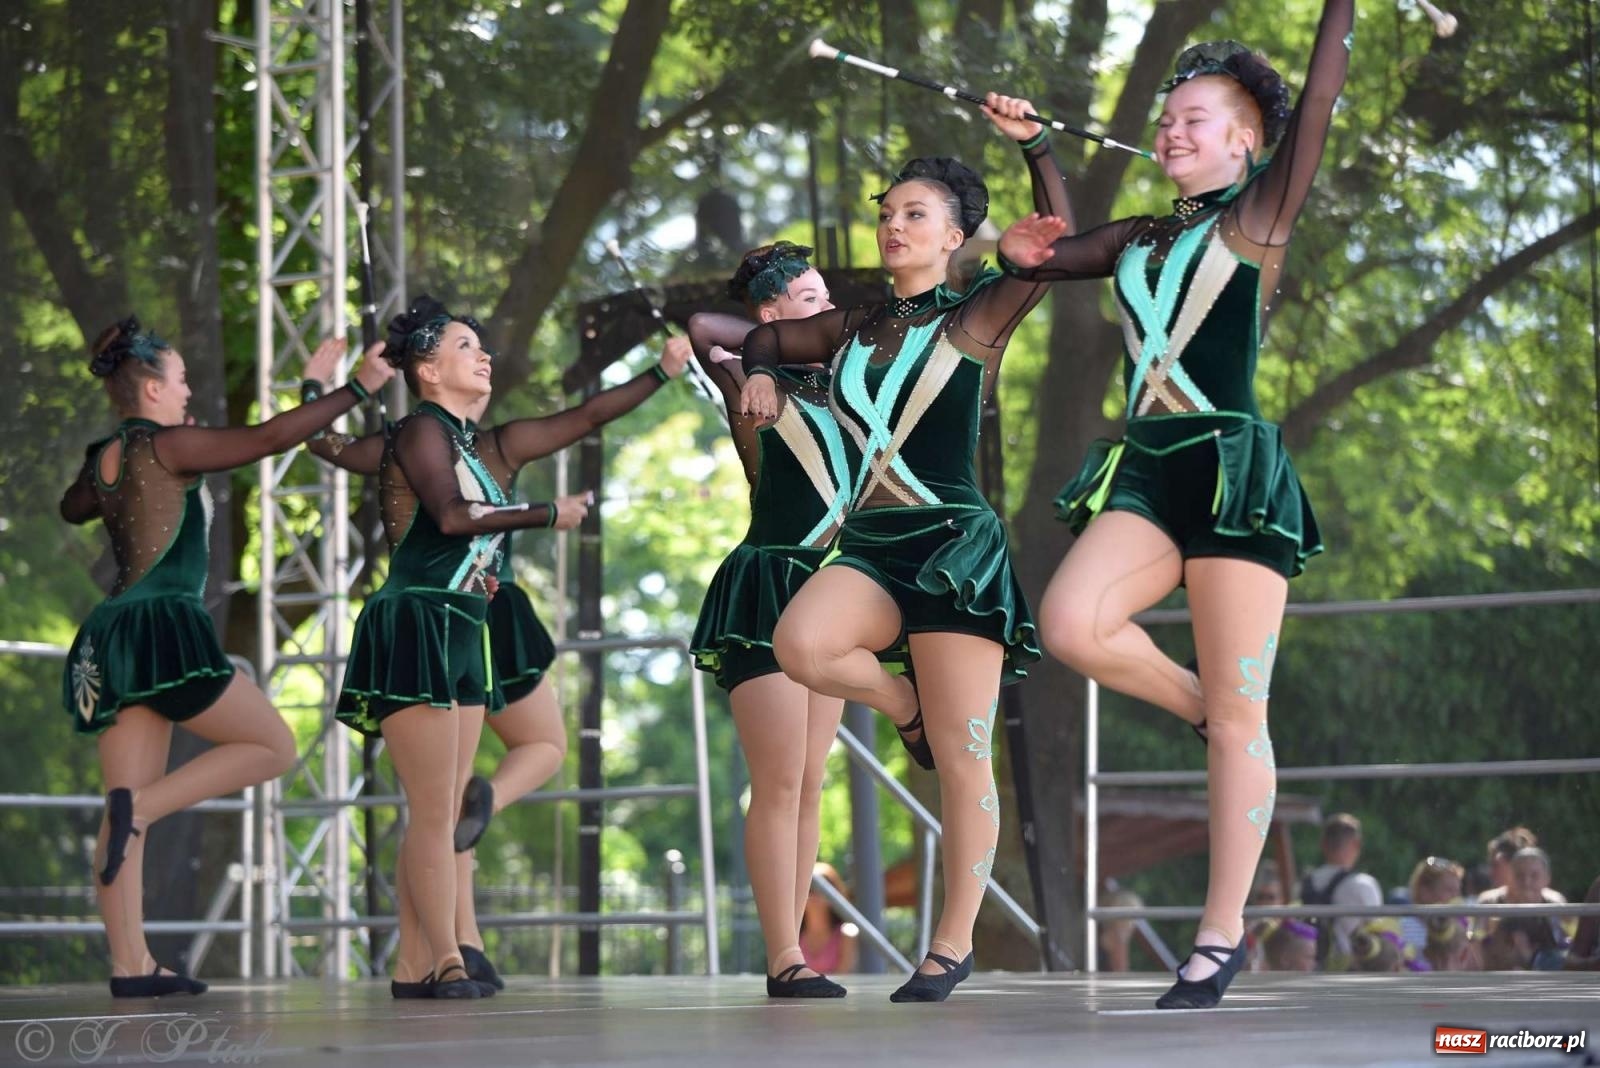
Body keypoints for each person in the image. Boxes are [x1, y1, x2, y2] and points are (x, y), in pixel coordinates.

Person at [997, 0, 1352, 1008]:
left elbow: (1318, 97)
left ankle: (1218, 933)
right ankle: (1217, 717)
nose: (1171, 129)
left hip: (1229, 470)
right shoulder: (1144, 234)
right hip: (1149, 467)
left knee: (1244, 718)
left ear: (1243, 141)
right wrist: (1035, 155)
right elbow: (1049, 253)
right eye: (1167, 117)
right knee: (1069, 622)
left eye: (1194, 117)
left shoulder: (1258, 216)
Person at [738, 94, 1072, 1003]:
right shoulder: (850, 324)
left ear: (955, 234)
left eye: (912, 215)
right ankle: (902, 706)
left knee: (967, 755)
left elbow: (1053, 242)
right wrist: (764, 371)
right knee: (800, 646)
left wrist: (1038, 149)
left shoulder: (978, 314)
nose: (892, 227)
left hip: (952, 545)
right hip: (873, 543)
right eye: (885, 215)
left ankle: (952, 942)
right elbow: (758, 333)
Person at [308, 313, 689, 992]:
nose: (483, 356)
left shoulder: (471, 440)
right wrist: (546, 513)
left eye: (484, 346)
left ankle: (416, 964)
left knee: (444, 807)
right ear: (426, 370)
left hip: (464, 624)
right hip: (418, 619)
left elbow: (588, 412)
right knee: (432, 810)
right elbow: (450, 516)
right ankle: (447, 955)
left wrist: (661, 371)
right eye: (464, 347)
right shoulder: (420, 430)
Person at [61, 318, 392, 996]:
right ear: (151, 387)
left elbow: (74, 506)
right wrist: (352, 389)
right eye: (180, 381)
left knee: (119, 805)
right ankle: (148, 809)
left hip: (114, 631)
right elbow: (269, 439)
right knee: (270, 744)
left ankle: (131, 966)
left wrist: (111, 487)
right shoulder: (172, 445)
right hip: (164, 624)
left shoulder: (105, 457)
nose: (188, 394)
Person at [685, 243, 860, 997]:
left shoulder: (842, 390)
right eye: (810, 299)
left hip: (835, 589)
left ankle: (791, 951)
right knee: (780, 781)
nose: (826, 312)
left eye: (827, 300)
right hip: (770, 584)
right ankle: (782, 953)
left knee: (813, 782)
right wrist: (759, 353)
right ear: (771, 315)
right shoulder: (750, 381)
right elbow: (699, 325)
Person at [1299, 813, 1383, 970]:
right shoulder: (1364, 884)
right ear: (1356, 844)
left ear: (1323, 844)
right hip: (1350, 968)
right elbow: (1377, 931)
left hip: (1309, 965)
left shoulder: (1305, 883)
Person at [799, 863, 860, 977]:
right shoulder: (794, 934)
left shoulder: (847, 932)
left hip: (835, 993)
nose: (814, 895)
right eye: (810, 888)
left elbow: (843, 977)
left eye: (822, 889)